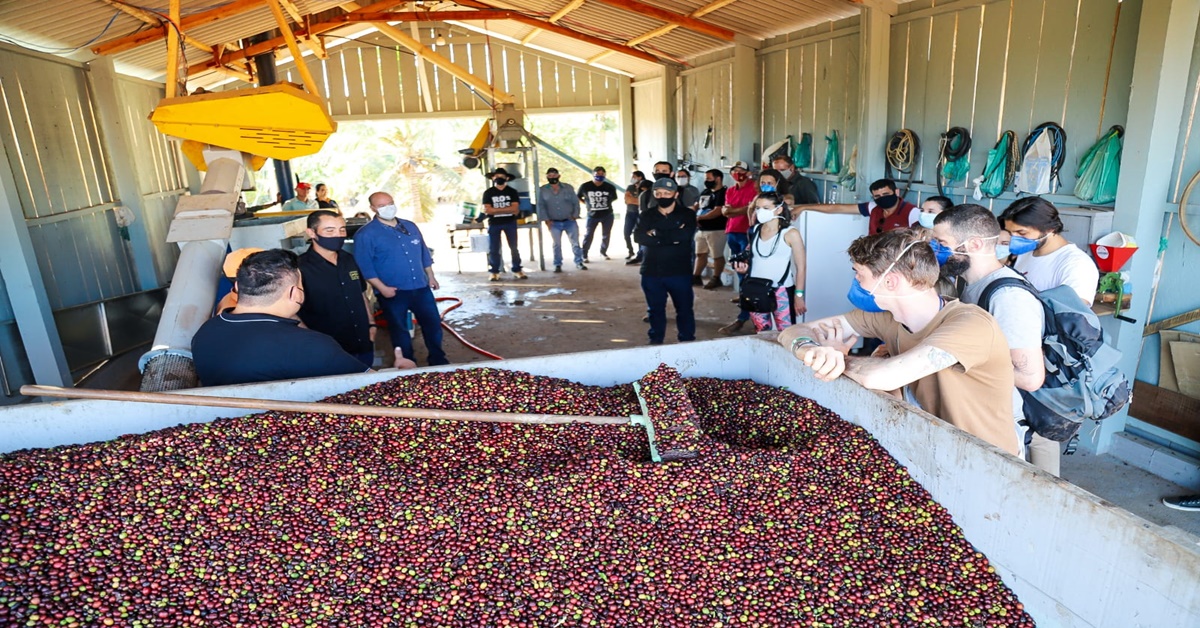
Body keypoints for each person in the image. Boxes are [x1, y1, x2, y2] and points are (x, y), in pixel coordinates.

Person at [776, 229, 1020, 456]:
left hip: (989, 458)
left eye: (859, 274)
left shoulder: (971, 325)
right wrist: (811, 349)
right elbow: (793, 332)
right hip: (936, 447)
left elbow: (882, 377)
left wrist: (839, 359)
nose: (856, 283)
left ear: (890, 282)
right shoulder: (885, 317)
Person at [932, 204, 1051, 472]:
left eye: (941, 243)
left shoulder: (1008, 297)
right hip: (972, 408)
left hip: (1000, 420)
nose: (935, 249)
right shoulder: (964, 282)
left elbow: (1031, 378)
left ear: (973, 244)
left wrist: (950, 359)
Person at [192, 249, 374, 386]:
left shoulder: (205, 332)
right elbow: (375, 384)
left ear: (238, 287)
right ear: (296, 294)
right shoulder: (310, 345)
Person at [354, 192, 450, 366]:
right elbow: (365, 267)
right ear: (373, 208)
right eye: (382, 206)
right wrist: (382, 288)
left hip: (421, 287)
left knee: (433, 325)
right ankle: (407, 362)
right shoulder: (366, 235)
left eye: (390, 203)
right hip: (393, 291)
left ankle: (438, 359)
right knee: (399, 330)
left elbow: (423, 253)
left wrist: (431, 276)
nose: (388, 208)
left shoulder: (410, 227)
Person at [298, 210, 378, 368]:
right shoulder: (300, 268)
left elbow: (361, 293)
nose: (338, 235)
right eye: (330, 230)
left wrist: (371, 323)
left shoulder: (349, 259)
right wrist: (311, 341)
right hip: (329, 350)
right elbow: (291, 312)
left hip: (363, 342)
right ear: (311, 233)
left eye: (342, 230)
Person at [999, 197, 1100, 306]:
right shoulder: (1025, 253)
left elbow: (1074, 315)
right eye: (1010, 233)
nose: (1014, 239)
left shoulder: (1077, 264)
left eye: (1022, 233)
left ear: (1049, 229)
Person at [730, 192, 807, 332]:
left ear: (778, 209)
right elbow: (754, 259)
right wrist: (744, 268)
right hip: (756, 289)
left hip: (781, 289)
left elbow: (801, 267)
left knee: (786, 333)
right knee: (762, 331)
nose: (760, 212)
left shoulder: (790, 233)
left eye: (766, 208)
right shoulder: (754, 230)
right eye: (758, 208)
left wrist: (799, 295)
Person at [634, 177, 697, 345]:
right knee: (655, 310)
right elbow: (638, 237)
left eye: (667, 193)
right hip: (651, 272)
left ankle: (687, 341)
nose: (662, 196)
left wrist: (655, 234)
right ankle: (655, 342)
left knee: (684, 310)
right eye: (658, 193)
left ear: (675, 194)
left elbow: (685, 235)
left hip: (680, 271)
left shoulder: (688, 215)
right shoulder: (646, 215)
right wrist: (672, 236)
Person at [794, 178, 919, 235]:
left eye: (886, 194)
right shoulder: (873, 207)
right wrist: (804, 207)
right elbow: (837, 208)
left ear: (896, 192)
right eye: (877, 196)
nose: (882, 198)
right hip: (873, 259)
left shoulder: (912, 212)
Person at [718, 160, 758, 335]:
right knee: (740, 272)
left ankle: (744, 317)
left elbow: (746, 210)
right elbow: (726, 210)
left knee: (750, 275)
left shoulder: (755, 188)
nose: (738, 173)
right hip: (732, 231)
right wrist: (735, 211)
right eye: (735, 170)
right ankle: (745, 307)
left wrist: (733, 211)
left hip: (746, 232)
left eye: (742, 170)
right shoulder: (730, 190)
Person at [479, 167, 527, 282]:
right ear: (493, 178)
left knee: (514, 247)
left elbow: (515, 209)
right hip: (494, 224)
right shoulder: (488, 193)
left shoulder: (512, 192)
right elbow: (488, 210)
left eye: (501, 176)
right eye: (496, 176)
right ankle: (494, 272)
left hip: (510, 223)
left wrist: (496, 210)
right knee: (494, 248)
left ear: (507, 178)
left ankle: (517, 269)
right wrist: (507, 209)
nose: (498, 178)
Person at [537, 167, 585, 273]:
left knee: (575, 242)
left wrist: (575, 215)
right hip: (554, 222)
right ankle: (557, 264)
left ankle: (579, 262)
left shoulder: (568, 188)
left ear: (559, 175)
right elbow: (541, 205)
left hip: (569, 220)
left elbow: (575, 202)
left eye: (554, 175)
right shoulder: (542, 190)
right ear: (546, 177)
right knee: (556, 244)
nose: (552, 177)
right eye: (549, 175)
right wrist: (546, 220)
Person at [628, 161, 675, 266]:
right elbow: (642, 224)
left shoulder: (682, 192)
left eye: (664, 171)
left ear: (671, 173)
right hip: (653, 243)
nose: (660, 173)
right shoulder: (646, 195)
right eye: (657, 171)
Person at [694, 168, 728, 289]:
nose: (706, 181)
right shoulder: (705, 191)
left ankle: (716, 278)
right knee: (700, 254)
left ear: (718, 178)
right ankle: (696, 276)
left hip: (717, 229)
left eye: (708, 178)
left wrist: (699, 218)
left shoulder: (724, 193)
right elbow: (697, 205)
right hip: (702, 229)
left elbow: (718, 211)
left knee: (716, 255)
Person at [578, 166, 619, 261]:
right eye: (597, 174)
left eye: (602, 174)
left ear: (605, 175)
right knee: (588, 234)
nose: (600, 176)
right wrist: (586, 204)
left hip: (607, 214)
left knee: (606, 234)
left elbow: (614, 198)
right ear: (593, 174)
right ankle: (584, 254)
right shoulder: (585, 186)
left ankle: (603, 252)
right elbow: (578, 196)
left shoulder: (610, 187)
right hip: (592, 215)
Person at [623, 170, 646, 259]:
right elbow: (627, 200)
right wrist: (638, 201)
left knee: (639, 233)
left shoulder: (645, 187)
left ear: (640, 177)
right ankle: (630, 251)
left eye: (634, 177)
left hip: (641, 214)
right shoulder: (630, 187)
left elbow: (645, 202)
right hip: (630, 213)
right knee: (626, 233)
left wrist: (634, 199)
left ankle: (640, 253)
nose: (632, 179)